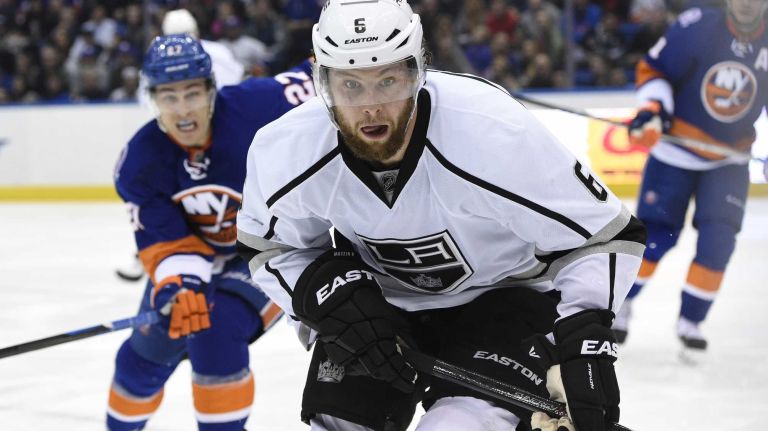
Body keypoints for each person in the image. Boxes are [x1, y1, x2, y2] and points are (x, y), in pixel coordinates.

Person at [236, 1, 646, 430]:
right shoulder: (288, 148)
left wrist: (583, 338)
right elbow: (271, 247)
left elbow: (602, 235)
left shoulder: (490, 129)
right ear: (323, 81)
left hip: (508, 300)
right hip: (380, 306)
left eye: (387, 81)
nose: (371, 107)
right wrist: (329, 297)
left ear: (417, 72)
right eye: (351, 86)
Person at [107, 34, 314, 431]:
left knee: (215, 330)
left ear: (211, 91)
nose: (183, 109)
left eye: (192, 93)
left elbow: (320, 76)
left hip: (267, 253)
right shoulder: (140, 161)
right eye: (169, 97)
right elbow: (167, 239)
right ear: (153, 100)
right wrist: (181, 284)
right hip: (198, 252)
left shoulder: (257, 106)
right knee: (144, 356)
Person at [613, 0, 768, 352]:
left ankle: (692, 320)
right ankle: (622, 302)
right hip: (675, 153)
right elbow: (655, 70)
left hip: (729, 160)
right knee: (655, 237)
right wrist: (652, 112)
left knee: (719, 241)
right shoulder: (697, 26)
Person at [118, 8, 249, 282]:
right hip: (200, 136)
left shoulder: (165, 58)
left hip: (213, 136)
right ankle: (162, 249)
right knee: (165, 203)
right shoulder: (217, 52)